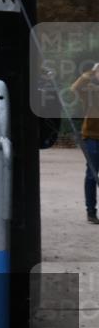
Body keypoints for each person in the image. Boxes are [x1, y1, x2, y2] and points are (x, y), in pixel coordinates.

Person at [71, 63, 99, 224]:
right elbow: (75, 87)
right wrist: (92, 72)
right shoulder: (90, 92)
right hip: (93, 138)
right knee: (92, 175)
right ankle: (91, 212)